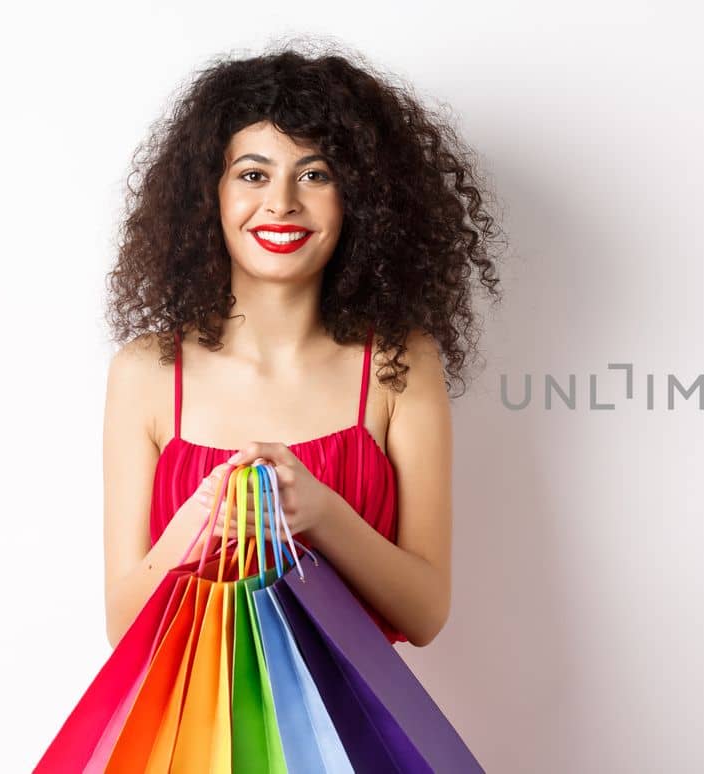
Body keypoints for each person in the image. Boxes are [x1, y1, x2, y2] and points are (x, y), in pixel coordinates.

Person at [99, 41, 504, 649]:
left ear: (359, 200)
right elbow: (122, 628)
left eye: (314, 174)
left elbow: (424, 615)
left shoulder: (399, 365)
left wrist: (318, 511)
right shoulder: (146, 373)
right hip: (194, 743)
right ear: (209, 195)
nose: (282, 202)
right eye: (253, 174)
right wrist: (200, 521)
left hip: (350, 738)